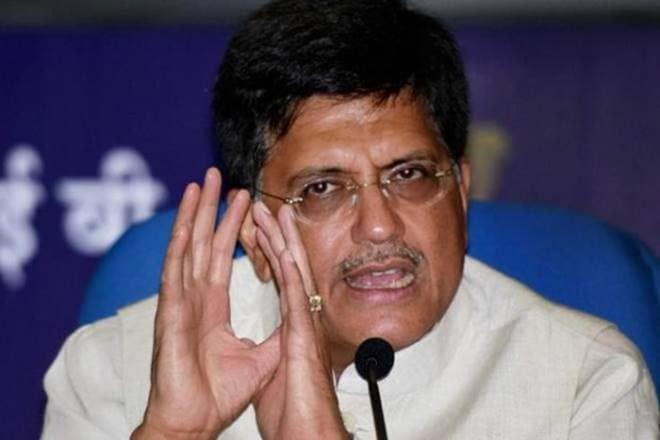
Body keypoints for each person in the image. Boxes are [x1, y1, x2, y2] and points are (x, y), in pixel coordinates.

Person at [41, 0, 659, 438]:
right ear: (255, 232)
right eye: (323, 189)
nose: (381, 227)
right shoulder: (112, 372)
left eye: (409, 175)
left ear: (462, 191)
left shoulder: (584, 385)